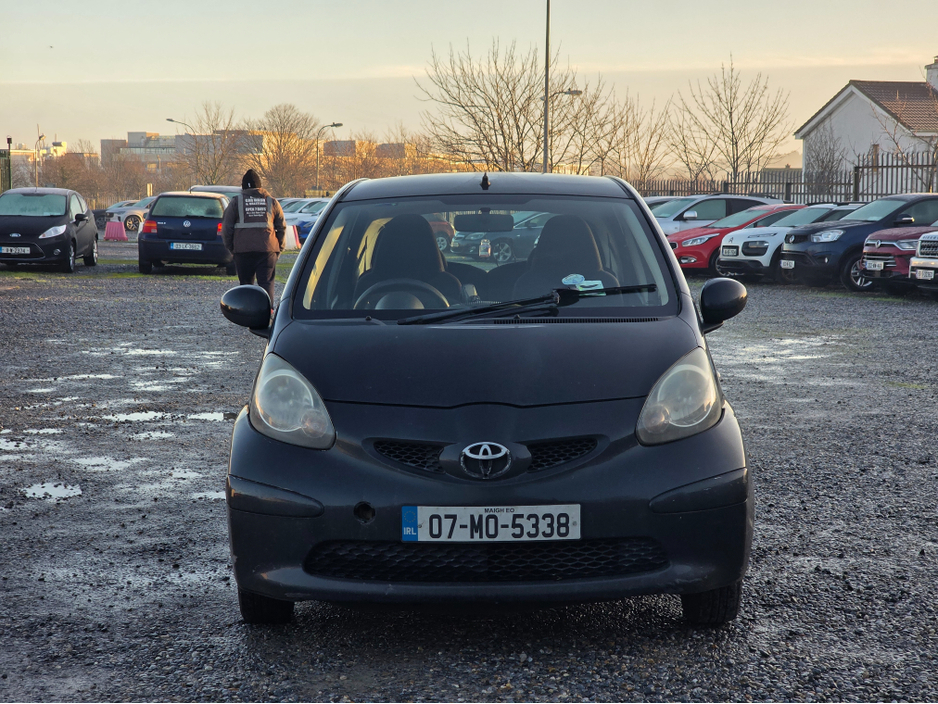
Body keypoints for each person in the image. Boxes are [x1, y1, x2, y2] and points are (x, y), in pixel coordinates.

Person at [222, 169, 286, 307]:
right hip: (267, 250)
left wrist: (232, 248)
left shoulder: (235, 203)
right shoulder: (272, 202)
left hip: (243, 251)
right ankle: (268, 312)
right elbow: (281, 227)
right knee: (266, 284)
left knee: (246, 286)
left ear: (243, 186)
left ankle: (247, 313)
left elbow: (226, 229)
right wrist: (279, 248)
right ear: (260, 186)